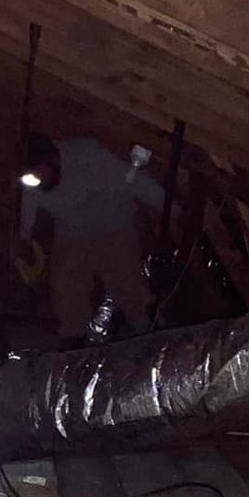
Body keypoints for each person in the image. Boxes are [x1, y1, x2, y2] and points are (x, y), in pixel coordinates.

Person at [18, 135, 162, 342]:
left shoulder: (89, 157)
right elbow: (28, 205)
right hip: (72, 231)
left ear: (55, 162)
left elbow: (134, 181)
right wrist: (25, 236)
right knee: (66, 287)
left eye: (43, 172)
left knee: (127, 286)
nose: (40, 179)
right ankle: (73, 340)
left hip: (114, 225)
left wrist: (170, 208)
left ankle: (146, 335)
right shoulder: (31, 177)